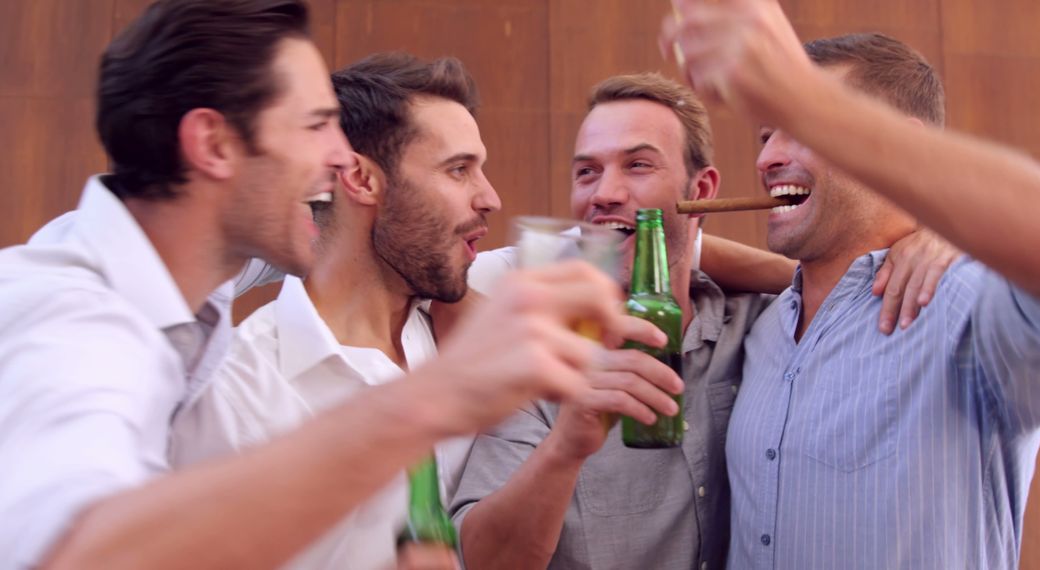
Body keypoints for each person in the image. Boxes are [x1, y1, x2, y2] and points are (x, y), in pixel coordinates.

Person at [0, 2, 636, 568]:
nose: (339, 158)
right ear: (215, 144)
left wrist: (726, 254)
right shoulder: (68, 323)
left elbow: (613, 242)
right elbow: (75, 552)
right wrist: (436, 398)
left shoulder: (204, 259)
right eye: (314, 126)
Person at [448, 72, 955, 569]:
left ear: (704, 189)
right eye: (587, 172)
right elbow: (485, 561)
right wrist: (566, 444)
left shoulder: (769, 330)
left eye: (638, 165)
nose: (604, 192)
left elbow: (842, 277)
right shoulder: (535, 359)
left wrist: (928, 237)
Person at [169, 52, 652, 570]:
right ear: (361, 178)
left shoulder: (469, 315)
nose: (490, 197)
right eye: (459, 169)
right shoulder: (236, 397)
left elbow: (631, 237)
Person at [662, 5, 1040, 568]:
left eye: (802, 129)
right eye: (765, 134)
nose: (766, 158)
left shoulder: (965, 310)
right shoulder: (761, 328)